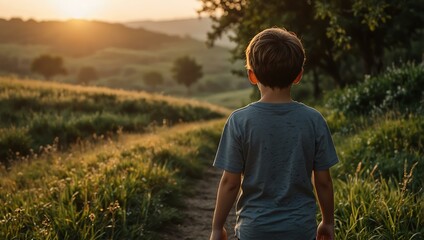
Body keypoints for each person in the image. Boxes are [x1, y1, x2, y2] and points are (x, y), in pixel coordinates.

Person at [209, 27, 339, 240]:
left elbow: (230, 183)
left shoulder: (239, 121)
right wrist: (328, 222)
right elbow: (323, 181)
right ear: (298, 76)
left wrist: (217, 228)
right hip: (300, 229)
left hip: (254, 229)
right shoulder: (313, 120)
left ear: (252, 75)